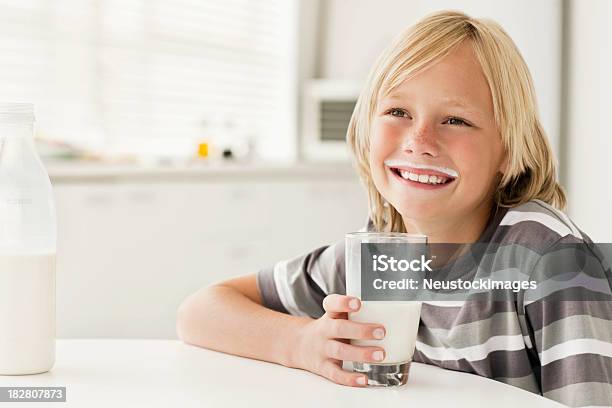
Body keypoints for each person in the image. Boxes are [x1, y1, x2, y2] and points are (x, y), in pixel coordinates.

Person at [176, 10, 612, 407]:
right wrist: (303, 343)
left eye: (456, 120)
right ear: (366, 130)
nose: (420, 141)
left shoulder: (550, 261)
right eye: (398, 111)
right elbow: (201, 311)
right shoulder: (370, 260)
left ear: (508, 150)